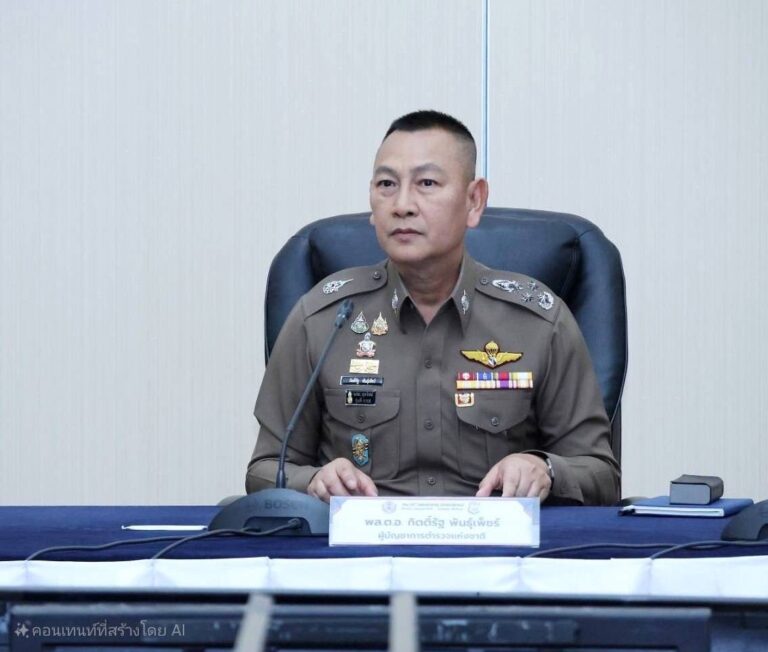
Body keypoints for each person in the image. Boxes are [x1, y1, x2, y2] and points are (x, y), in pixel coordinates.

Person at [246, 110, 620, 505]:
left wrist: (543, 469)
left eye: (426, 183)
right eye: (387, 184)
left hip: (494, 541)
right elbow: (265, 468)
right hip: (362, 542)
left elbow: (600, 473)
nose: (402, 205)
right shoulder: (323, 319)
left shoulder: (539, 323)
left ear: (474, 201)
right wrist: (313, 481)